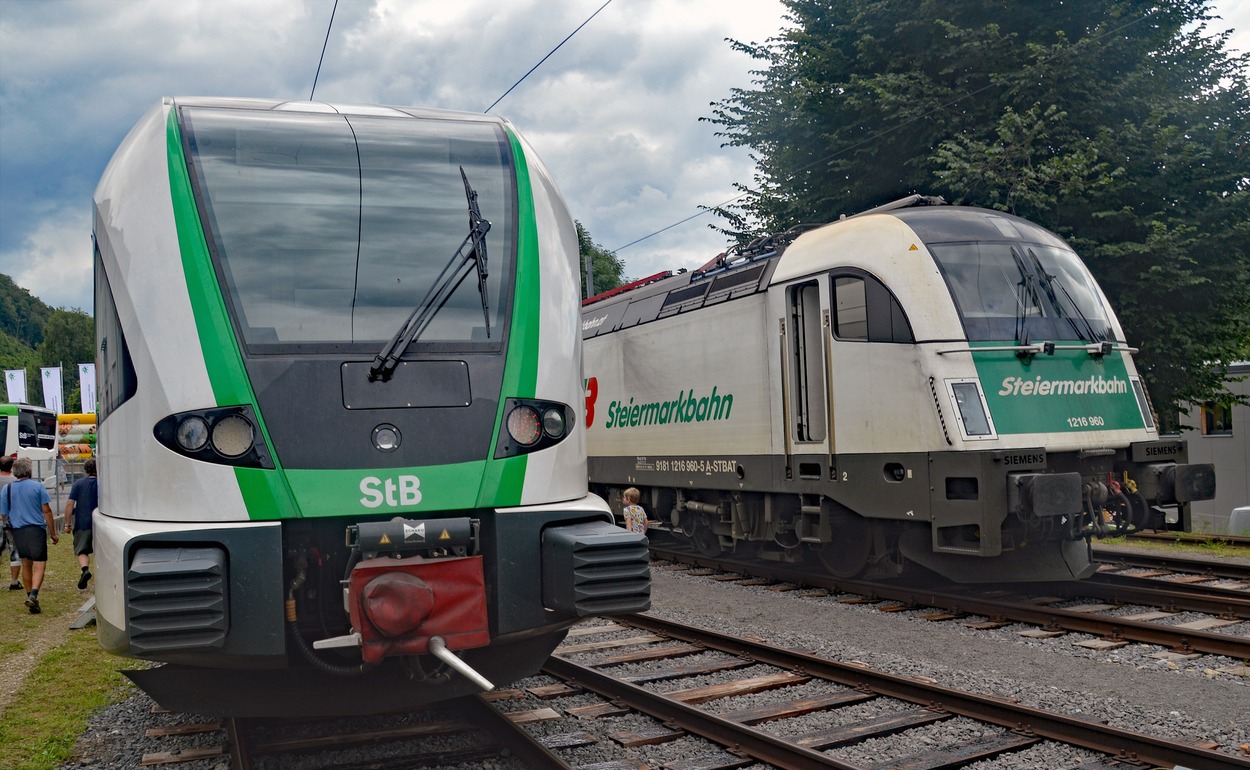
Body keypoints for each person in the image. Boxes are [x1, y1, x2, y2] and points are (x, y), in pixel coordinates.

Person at [0, 457, 59, 613]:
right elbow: (46, 510)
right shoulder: (37, 487)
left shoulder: (8, 489)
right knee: (39, 565)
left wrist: (10, 532)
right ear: (29, 471)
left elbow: (4, 515)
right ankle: (33, 594)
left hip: (18, 530)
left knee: (26, 564)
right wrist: (53, 533)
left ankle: (29, 595)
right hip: (36, 529)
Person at [64, 458, 98, 590]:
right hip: (101, 522)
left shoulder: (78, 484)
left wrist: (67, 523)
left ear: (85, 470)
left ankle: (85, 570)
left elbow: (69, 504)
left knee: (82, 550)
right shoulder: (104, 483)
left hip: (83, 522)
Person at [0, 456, 21, 590]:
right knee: (14, 551)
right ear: (12, 467)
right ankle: (14, 581)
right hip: (12, 519)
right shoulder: (16, 482)